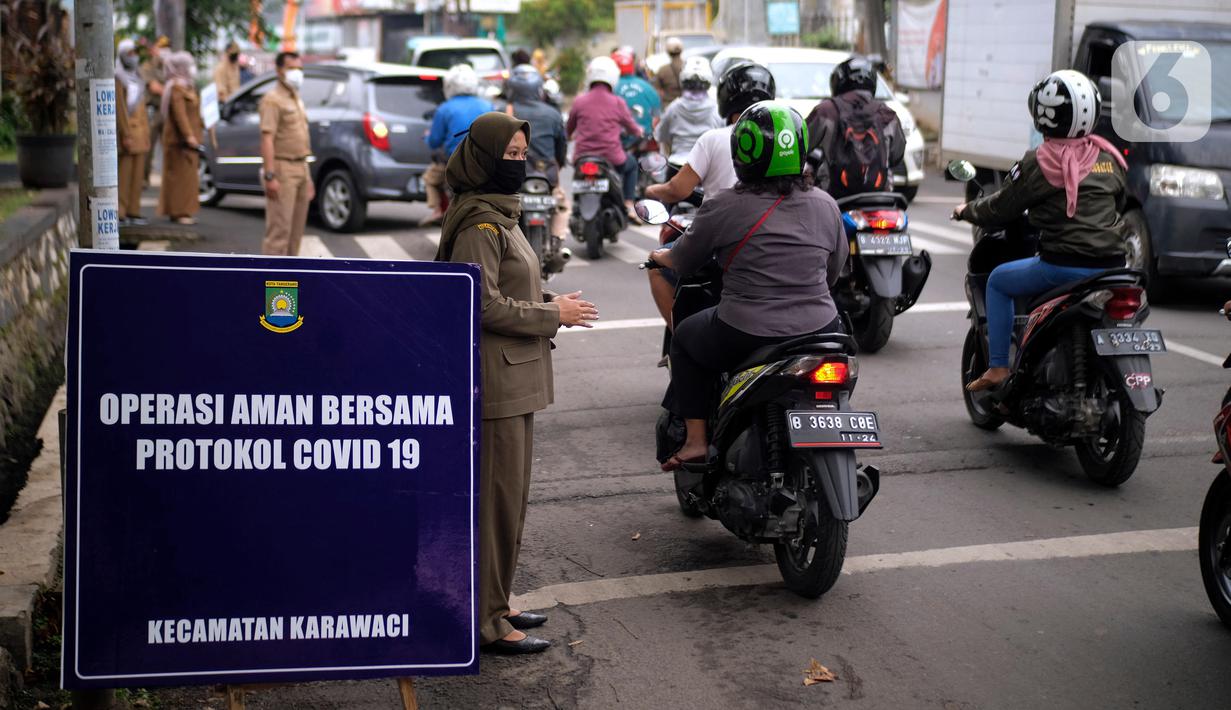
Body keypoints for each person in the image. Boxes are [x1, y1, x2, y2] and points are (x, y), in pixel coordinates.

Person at [435, 112, 599, 654]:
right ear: (483, 160)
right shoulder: (480, 224)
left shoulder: (499, 217)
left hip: (516, 379)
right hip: (495, 385)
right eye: (509, 156)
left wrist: (551, 301)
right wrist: (554, 316)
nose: (519, 164)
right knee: (495, 504)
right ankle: (486, 620)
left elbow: (511, 289)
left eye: (523, 154)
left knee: (510, 501)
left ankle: (499, 602)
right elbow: (478, 302)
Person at [648, 102, 848, 470]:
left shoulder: (725, 206)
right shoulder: (826, 204)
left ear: (743, 153)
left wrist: (662, 257)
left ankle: (694, 441)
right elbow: (834, 272)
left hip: (745, 330)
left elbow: (685, 260)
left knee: (685, 341)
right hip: (821, 328)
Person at [955, 70, 1128, 392]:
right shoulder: (1107, 157)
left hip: (1062, 266)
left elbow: (1002, 207)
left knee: (998, 281)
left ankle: (998, 368)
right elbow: (1118, 201)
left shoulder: (1041, 161)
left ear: (1043, 115)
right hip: (1115, 267)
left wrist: (967, 211)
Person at [643, 61, 776, 328]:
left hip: (722, 242)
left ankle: (679, 332)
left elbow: (678, 189)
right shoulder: (785, 143)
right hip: (776, 241)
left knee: (658, 264)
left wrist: (651, 190)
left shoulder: (714, 139)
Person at [805, 55, 905, 200]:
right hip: (879, 197)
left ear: (838, 81)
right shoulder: (888, 115)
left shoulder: (826, 111)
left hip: (833, 197)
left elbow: (800, 146)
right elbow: (897, 155)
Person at [567, 56, 644, 219]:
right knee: (632, 165)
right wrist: (639, 131)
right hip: (612, 158)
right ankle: (629, 203)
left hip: (582, 158)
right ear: (613, 77)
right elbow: (632, 127)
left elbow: (569, 128)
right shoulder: (617, 102)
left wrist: (569, 136)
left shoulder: (579, 101)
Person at [505, 64, 571, 243]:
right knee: (562, 206)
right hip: (546, 175)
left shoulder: (503, 112)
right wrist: (558, 164)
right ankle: (558, 240)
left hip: (512, 179)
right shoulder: (552, 113)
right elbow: (561, 148)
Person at [421, 64, 493, 226]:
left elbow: (434, 142)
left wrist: (427, 137)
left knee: (430, 178)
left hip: (455, 164)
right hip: (484, 165)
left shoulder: (444, 109)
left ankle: (438, 210)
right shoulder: (487, 106)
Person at [259, 51, 315, 255]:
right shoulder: (273, 100)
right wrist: (270, 175)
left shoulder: (295, 97)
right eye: (292, 68)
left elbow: (301, 141)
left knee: (295, 234)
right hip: (282, 169)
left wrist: (307, 176)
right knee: (279, 234)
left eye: (299, 68)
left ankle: (290, 283)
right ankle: (274, 286)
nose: (297, 73)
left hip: (300, 167)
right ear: (279, 70)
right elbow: (267, 138)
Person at [157, 51, 203, 226]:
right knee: (179, 179)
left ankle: (185, 210)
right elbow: (179, 114)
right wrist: (188, 135)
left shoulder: (187, 86)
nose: (192, 68)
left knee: (187, 178)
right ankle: (178, 212)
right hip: (179, 141)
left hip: (188, 141)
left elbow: (193, 112)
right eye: (188, 65)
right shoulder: (175, 87)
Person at [653, 56, 722, 158]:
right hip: (706, 165)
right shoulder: (716, 109)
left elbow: (660, 135)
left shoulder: (674, 108)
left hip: (677, 164)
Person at [114, 39, 150, 226]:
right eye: (130, 53)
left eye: (135, 53)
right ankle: (121, 211)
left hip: (141, 133)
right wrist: (125, 134)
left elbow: (143, 109)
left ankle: (134, 211)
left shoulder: (138, 75)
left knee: (137, 176)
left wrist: (146, 135)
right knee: (124, 175)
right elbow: (120, 108)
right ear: (121, 55)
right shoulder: (118, 77)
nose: (134, 57)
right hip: (128, 134)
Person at [612, 48, 661, 161]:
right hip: (644, 138)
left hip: (619, 141)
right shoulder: (647, 87)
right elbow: (657, 115)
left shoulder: (611, 88)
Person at [140, 36, 170, 185]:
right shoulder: (147, 66)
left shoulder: (171, 67)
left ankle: (169, 180)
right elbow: (154, 87)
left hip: (167, 111)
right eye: (161, 48)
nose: (163, 52)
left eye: (166, 49)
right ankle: (144, 178)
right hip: (153, 110)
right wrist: (171, 90)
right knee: (148, 145)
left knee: (169, 146)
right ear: (154, 50)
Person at [653, 36, 685, 105]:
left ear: (667, 51)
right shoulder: (688, 67)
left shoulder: (663, 70)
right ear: (681, 50)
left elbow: (656, 91)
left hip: (668, 106)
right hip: (686, 107)